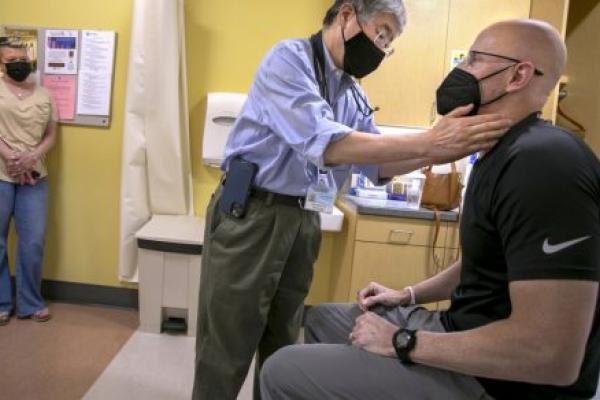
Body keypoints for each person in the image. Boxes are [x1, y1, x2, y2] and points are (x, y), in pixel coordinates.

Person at [260, 18, 600, 400]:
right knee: (324, 319)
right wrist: (407, 295)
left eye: (473, 60)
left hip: (498, 382)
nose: (459, 70)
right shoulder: (499, 154)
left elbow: (551, 354)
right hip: (460, 327)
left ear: (518, 76)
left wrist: (403, 341)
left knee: (281, 370)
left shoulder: (544, 164)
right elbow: (487, 260)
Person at [193, 1, 512, 398]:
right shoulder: (290, 60)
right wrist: (429, 140)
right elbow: (326, 144)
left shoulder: (351, 90)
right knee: (227, 344)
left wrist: (440, 149)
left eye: (389, 42)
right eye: (380, 32)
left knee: (283, 338)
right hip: (253, 214)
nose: (380, 47)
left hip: (302, 219)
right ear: (346, 15)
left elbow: (376, 162)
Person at [0, 38, 58, 326]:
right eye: (12, 61)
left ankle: (30, 302)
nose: (19, 65)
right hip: (1, 174)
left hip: (35, 177)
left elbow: (51, 135)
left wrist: (31, 157)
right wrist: (10, 156)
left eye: (23, 60)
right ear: (2, 64)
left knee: (32, 241)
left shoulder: (45, 95)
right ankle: (1, 303)